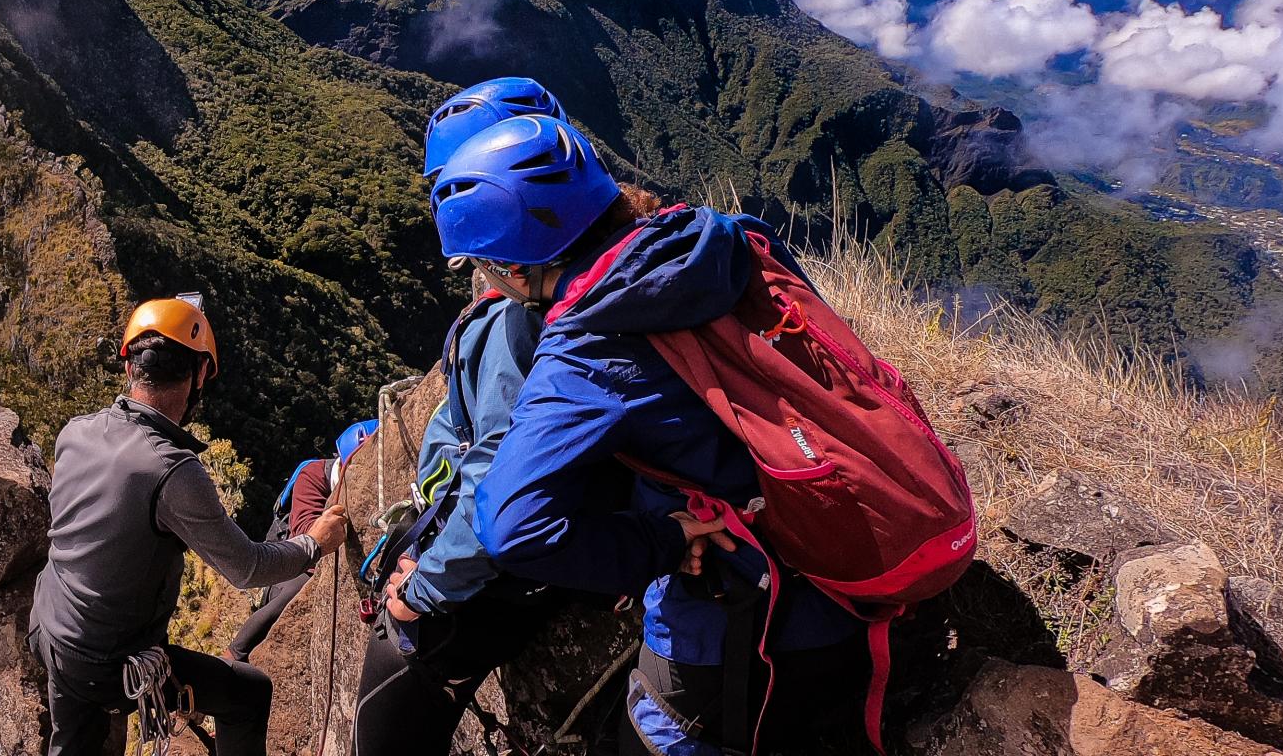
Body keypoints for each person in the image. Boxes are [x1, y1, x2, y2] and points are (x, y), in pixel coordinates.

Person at [440, 116, 868, 755]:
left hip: (735, 626)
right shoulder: (726, 240)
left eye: (484, 266)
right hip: (849, 569)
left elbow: (510, 526)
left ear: (512, 265)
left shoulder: (586, 348)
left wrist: (661, 540)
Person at [351, 78, 573, 756]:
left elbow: (500, 465)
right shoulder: (544, 287)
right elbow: (460, 422)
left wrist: (423, 582)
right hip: (525, 539)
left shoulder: (518, 318)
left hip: (518, 565)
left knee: (387, 698)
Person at [29, 297, 350, 756]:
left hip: (50, 627)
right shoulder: (171, 469)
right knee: (248, 694)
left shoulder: (76, 431)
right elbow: (247, 567)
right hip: (107, 664)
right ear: (199, 375)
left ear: (129, 368)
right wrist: (314, 543)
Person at [224, 419, 376, 663]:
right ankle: (236, 653)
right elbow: (304, 533)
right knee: (298, 589)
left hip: (324, 560)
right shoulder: (314, 475)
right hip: (293, 563)